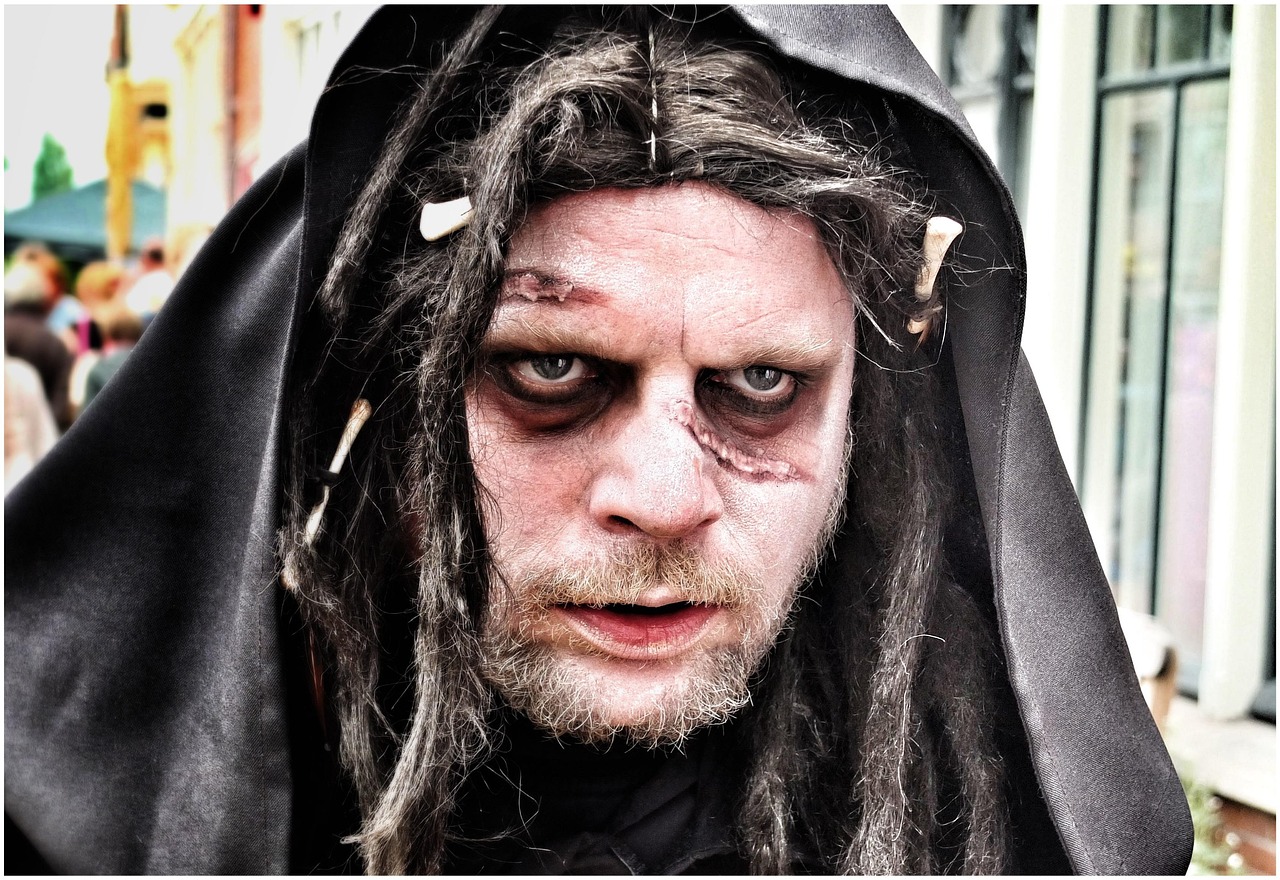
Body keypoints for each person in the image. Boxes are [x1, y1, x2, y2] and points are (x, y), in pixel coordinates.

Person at [5, 7, 1192, 875]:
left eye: (761, 382)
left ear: (865, 420)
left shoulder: (967, 836)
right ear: (379, 388)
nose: (663, 494)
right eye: (551, 370)